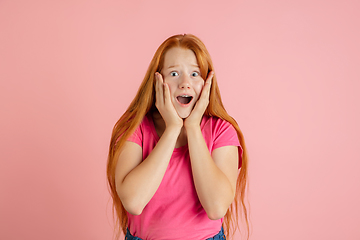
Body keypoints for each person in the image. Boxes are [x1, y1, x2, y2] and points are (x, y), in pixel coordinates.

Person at [107, 34, 249, 240]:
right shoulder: (134, 129)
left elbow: (217, 207)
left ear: (207, 82)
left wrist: (192, 126)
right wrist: (173, 128)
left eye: (194, 74)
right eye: (174, 73)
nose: (185, 83)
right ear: (157, 80)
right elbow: (133, 202)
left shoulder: (222, 131)